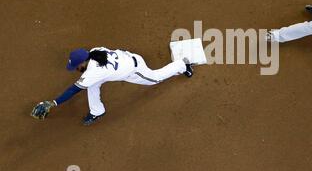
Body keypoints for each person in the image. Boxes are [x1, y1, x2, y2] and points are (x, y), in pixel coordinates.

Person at [30, 47, 193, 126]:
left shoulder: (93, 71)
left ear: (83, 62)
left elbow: (73, 90)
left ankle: (181, 65)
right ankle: (97, 110)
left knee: (155, 78)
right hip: (126, 58)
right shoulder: (94, 50)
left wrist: (53, 103)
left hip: (135, 69)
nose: (76, 70)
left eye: (76, 67)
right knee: (92, 85)